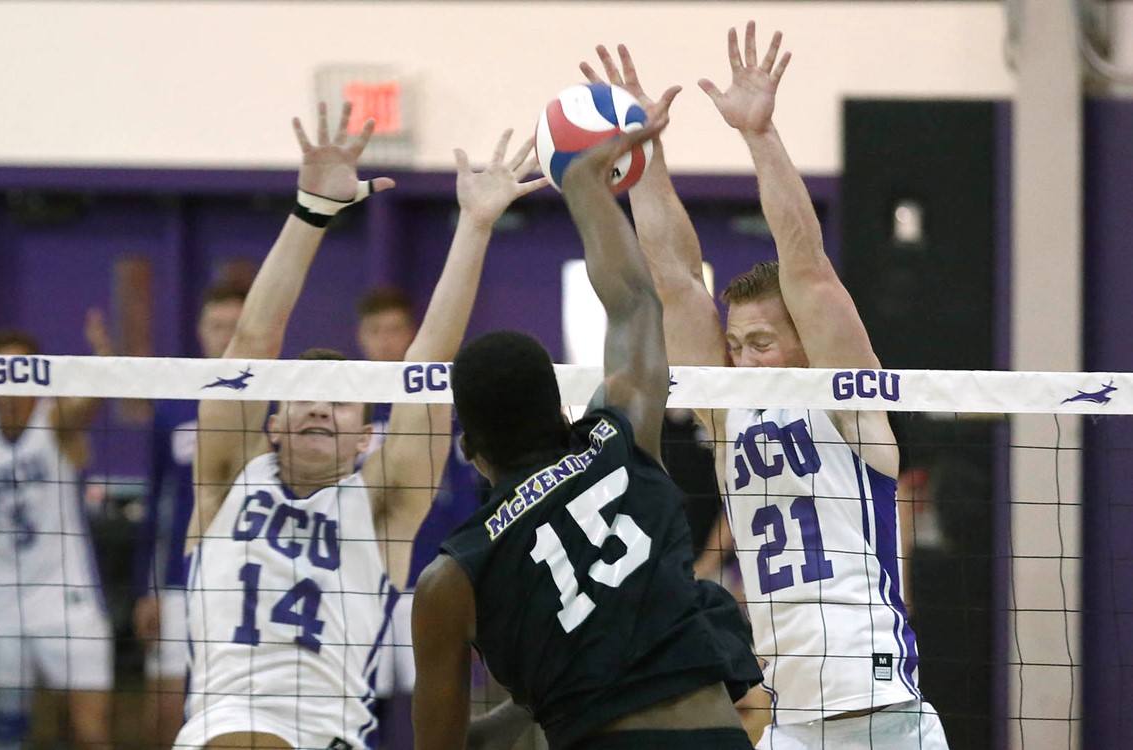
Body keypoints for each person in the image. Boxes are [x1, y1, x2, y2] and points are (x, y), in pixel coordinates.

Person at [611, 23, 950, 749]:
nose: (743, 360)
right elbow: (674, 282)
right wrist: (644, 161)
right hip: (789, 720)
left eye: (761, 343)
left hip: (880, 709)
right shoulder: (727, 415)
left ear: (806, 344)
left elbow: (808, 267)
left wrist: (760, 136)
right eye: (735, 346)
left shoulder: (849, 409)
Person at [176, 103, 544, 750]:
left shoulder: (380, 506)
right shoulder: (228, 479)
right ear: (273, 425)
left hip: (332, 734)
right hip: (223, 722)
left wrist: (476, 227)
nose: (318, 407)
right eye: (301, 399)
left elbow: (428, 364)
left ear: (364, 437)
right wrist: (311, 211)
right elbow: (253, 341)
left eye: (341, 403)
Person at [411, 116, 762, 750]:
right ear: (565, 412)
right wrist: (583, 186)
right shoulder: (619, 442)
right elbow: (636, 303)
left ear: (471, 452)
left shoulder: (451, 576)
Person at [354, 287, 485, 749]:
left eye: (395, 331)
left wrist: (470, 577)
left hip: (428, 582)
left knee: (434, 704)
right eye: (376, 332)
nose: (387, 342)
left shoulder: (438, 405)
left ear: (410, 334)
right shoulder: (348, 407)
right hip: (362, 585)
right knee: (361, 703)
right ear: (361, 337)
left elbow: (466, 498)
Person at [0, 312, 115, 750]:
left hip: (65, 594)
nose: (12, 382)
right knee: (4, 730)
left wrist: (102, 359)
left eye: (21, 370)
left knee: (89, 732)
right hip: (2, 597)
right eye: (1, 370)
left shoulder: (54, 421)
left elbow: (84, 407)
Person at [132, 281, 247, 749]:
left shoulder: (277, 399)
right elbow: (155, 502)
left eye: (235, 326)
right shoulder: (173, 403)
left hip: (250, 580)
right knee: (166, 708)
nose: (225, 335)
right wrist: (147, 589)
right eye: (217, 326)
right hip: (181, 578)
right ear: (201, 331)